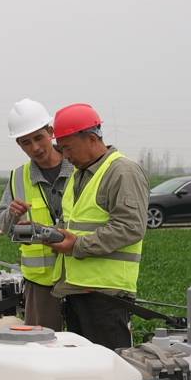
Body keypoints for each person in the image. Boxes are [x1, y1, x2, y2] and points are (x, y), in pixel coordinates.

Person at [47, 103, 148, 349]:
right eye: (61, 149)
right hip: (77, 290)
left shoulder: (122, 171)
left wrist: (78, 245)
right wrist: (52, 235)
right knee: (84, 365)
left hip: (107, 295)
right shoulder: (78, 174)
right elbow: (74, 223)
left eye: (68, 147)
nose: (65, 155)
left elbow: (130, 227)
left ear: (92, 139)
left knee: (109, 364)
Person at [0, 98, 74, 330]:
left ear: (50, 132)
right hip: (40, 284)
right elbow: (4, 226)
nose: (35, 148)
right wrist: (12, 214)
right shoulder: (18, 177)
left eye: (39, 138)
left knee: (84, 346)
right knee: (41, 345)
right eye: (26, 142)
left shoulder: (79, 168)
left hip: (81, 277)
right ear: (19, 144)